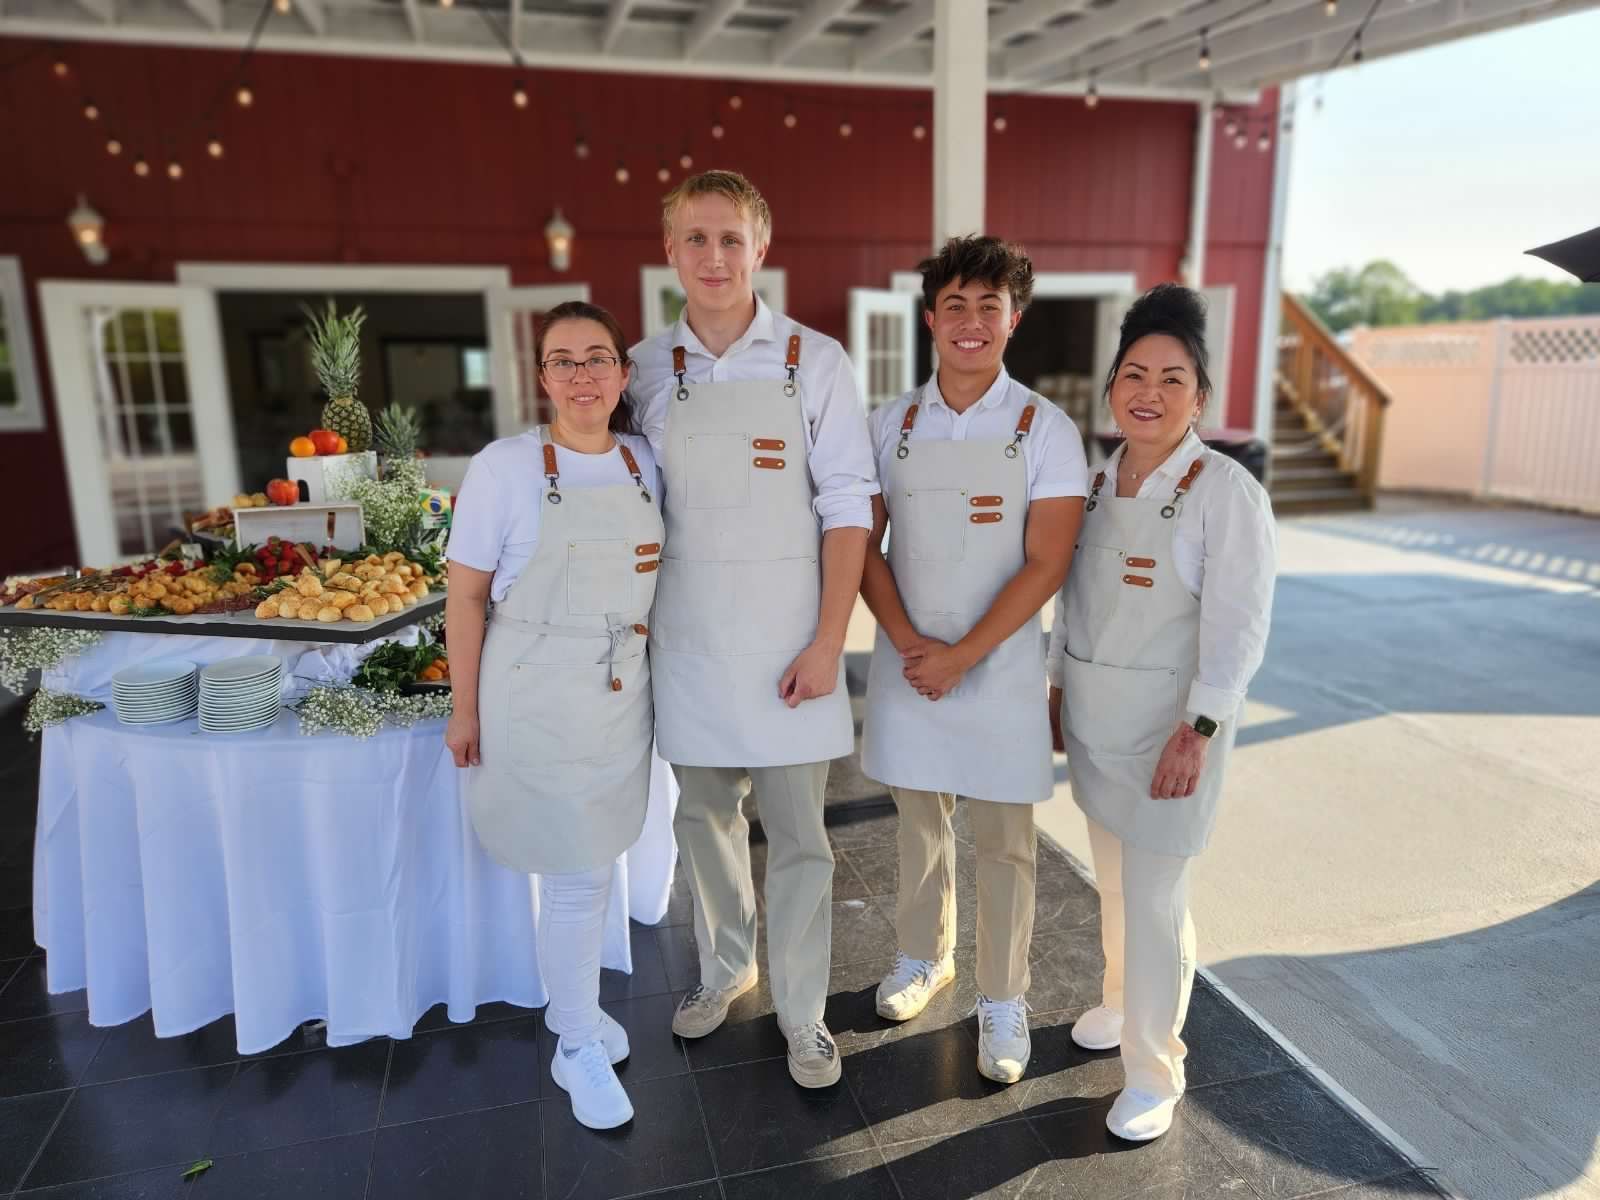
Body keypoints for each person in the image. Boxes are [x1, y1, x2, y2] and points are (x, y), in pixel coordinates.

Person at [630, 170, 878, 1088]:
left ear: (761, 249)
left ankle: (807, 1015)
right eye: (696, 238)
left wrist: (828, 642)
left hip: (790, 648)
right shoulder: (643, 366)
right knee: (703, 817)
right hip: (687, 641)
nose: (714, 256)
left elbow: (850, 505)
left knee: (801, 836)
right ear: (670, 251)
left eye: (731, 238)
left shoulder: (814, 359)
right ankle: (726, 965)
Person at [1047, 284, 1277, 1141]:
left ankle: (1155, 1068)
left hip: (1173, 733)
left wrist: (1202, 729)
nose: (1149, 391)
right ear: (1112, 387)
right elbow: (1075, 596)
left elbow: (1240, 626)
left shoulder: (1225, 493)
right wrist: (1057, 686)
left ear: (1200, 399)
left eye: (1171, 378)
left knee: (1154, 899)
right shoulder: (1099, 479)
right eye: (1134, 374)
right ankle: (1118, 1003)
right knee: (1113, 883)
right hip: (1100, 716)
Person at [858, 235, 1088, 1084]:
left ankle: (1003, 996)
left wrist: (963, 656)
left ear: (1013, 319)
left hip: (996, 668)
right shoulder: (891, 424)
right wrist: (915, 646)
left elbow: (1048, 561)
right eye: (954, 304)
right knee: (919, 825)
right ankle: (925, 955)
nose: (970, 322)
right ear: (930, 317)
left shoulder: (1045, 429)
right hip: (911, 660)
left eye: (989, 306)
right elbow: (862, 544)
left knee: (1004, 841)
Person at [444, 301, 663, 1131]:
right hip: (533, 688)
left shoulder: (644, 461)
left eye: (597, 357)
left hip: (618, 689)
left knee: (600, 857)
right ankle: (573, 1040)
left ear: (621, 373)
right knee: (573, 870)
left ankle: (574, 1008)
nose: (582, 374)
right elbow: (465, 599)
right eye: (563, 360)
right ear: (542, 378)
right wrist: (465, 710)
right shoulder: (505, 468)